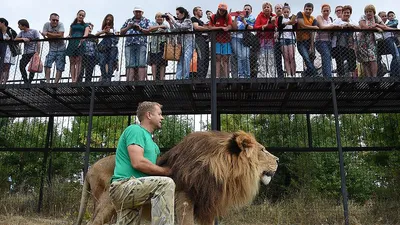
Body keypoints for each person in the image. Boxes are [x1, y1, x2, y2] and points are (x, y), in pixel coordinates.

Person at [109, 101, 175, 225]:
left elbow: (152, 169)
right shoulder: (135, 130)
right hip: (123, 186)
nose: (162, 117)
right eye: (159, 114)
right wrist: (167, 171)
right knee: (166, 184)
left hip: (137, 191)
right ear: (149, 115)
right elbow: (138, 162)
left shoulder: (154, 146)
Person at [121, 7, 150, 81]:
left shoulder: (146, 20)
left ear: (142, 13)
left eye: (139, 12)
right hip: (129, 44)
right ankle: (129, 82)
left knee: (141, 64)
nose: (138, 13)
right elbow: (121, 32)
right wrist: (129, 27)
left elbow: (149, 31)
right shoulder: (128, 21)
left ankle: (141, 82)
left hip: (141, 44)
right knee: (130, 64)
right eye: (136, 12)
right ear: (133, 12)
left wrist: (140, 29)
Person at [166, 7, 195, 80]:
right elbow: (173, 30)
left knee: (186, 59)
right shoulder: (179, 22)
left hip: (189, 43)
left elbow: (181, 26)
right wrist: (170, 22)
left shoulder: (188, 21)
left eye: (178, 14)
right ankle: (178, 77)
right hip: (181, 44)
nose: (177, 15)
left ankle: (185, 77)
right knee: (180, 60)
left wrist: (172, 18)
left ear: (183, 13)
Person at [331, 5, 359, 77]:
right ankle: (341, 77)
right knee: (339, 61)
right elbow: (332, 26)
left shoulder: (352, 21)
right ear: (342, 13)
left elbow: (358, 27)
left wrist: (350, 25)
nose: (346, 14)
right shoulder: (337, 20)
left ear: (350, 13)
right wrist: (342, 26)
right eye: (345, 12)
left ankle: (351, 77)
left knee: (352, 60)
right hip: (338, 45)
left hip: (349, 45)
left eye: (348, 12)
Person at [231, 4, 255, 78]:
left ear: (251, 11)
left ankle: (247, 75)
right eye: (245, 9)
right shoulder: (238, 17)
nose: (246, 10)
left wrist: (243, 20)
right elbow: (234, 28)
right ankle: (241, 74)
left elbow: (251, 28)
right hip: (236, 38)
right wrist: (235, 17)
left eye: (248, 9)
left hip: (246, 39)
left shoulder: (252, 18)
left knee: (245, 56)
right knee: (239, 56)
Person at [315, 4, 340, 77]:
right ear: (321, 11)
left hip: (329, 41)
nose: (326, 12)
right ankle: (328, 77)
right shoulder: (319, 17)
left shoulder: (331, 19)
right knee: (326, 55)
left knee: (327, 58)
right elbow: (322, 27)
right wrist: (332, 26)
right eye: (324, 11)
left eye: (327, 10)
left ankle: (326, 75)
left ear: (330, 11)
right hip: (320, 41)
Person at [65, 10, 90, 83]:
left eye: (83, 15)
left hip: (80, 43)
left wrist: (81, 40)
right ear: (77, 15)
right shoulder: (72, 25)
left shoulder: (86, 25)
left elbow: (86, 34)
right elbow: (70, 34)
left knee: (78, 62)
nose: (81, 16)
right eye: (80, 15)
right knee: (72, 62)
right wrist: (68, 36)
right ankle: (72, 79)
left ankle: (76, 79)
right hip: (72, 43)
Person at [209, 3, 232, 78]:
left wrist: (227, 28)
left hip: (226, 40)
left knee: (225, 59)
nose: (222, 12)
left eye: (223, 10)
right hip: (217, 40)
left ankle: (226, 77)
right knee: (217, 58)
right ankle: (217, 76)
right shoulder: (213, 17)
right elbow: (210, 27)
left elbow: (230, 26)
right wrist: (221, 28)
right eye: (220, 10)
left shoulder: (228, 16)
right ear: (218, 9)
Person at [41, 13, 66, 83]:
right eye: (53, 20)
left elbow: (61, 35)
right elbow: (45, 35)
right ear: (50, 19)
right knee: (47, 64)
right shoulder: (46, 25)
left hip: (61, 48)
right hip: (52, 48)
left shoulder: (61, 24)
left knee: (60, 67)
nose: (55, 22)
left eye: (57, 20)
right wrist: (55, 35)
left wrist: (48, 34)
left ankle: (55, 83)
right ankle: (48, 82)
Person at [295, 3, 319, 77]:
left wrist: (312, 46)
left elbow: (312, 34)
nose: (308, 11)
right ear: (304, 9)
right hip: (300, 41)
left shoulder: (313, 19)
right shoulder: (300, 14)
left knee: (311, 58)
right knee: (306, 57)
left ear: (312, 10)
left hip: (309, 41)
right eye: (306, 9)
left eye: (310, 9)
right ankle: (315, 74)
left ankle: (306, 74)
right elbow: (302, 25)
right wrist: (313, 27)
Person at [254, 2, 277, 77]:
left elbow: (276, 27)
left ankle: (272, 75)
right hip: (262, 40)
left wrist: (273, 23)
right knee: (262, 58)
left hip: (271, 40)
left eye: (268, 7)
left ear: (271, 9)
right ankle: (262, 75)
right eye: (264, 7)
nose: (266, 8)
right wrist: (265, 25)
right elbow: (255, 27)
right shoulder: (260, 16)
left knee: (271, 58)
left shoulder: (274, 16)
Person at [14, 19, 41, 84]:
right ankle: (26, 81)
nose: (18, 26)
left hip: (33, 52)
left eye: (19, 25)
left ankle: (29, 81)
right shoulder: (21, 33)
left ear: (24, 25)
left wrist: (38, 52)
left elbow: (38, 42)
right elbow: (15, 39)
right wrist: (22, 38)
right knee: (21, 66)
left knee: (33, 67)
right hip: (26, 53)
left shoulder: (34, 31)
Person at [96, 14, 119, 82]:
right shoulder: (101, 29)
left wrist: (110, 33)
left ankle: (108, 78)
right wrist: (104, 32)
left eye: (110, 20)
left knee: (110, 62)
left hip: (112, 48)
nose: (108, 21)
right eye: (107, 19)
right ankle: (104, 77)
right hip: (103, 48)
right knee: (102, 62)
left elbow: (117, 39)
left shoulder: (114, 29)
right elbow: (95, 36)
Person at [148, 12, 169, 80]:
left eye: (161, 17)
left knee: (163, 63)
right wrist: (160, 27)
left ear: (163, 19)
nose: (159, 18)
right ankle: (154, 78)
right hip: (154, 46)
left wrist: (164, 31)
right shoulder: (152, 24)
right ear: (155, 18)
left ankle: (162, 78)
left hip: (163, 45)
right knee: (154, 62)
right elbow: (150, 29)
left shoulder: (166, 25)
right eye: (158, 17)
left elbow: (169, 32)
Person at [277, 3, 297, 77]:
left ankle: (293, 73)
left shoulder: (291, 18)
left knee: (292, 56)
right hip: (283, 38)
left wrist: (295, 23)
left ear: (289, 12)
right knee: (286, 57)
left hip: (291, 38)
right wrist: (286, 23)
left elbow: (295, 29)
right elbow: (279, 27)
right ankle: (288, 74)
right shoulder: (280, 18)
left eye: (287, 12)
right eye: (284, 12)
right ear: (282, 12)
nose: (286, 13)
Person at [191, 6, 210, 78]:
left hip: (205, 40)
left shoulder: (201, 22)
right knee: (201, 57)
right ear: (195, 12)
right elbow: (196, 27)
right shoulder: (194, 18)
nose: (202, 12)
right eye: (200, 10)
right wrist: (207, 28)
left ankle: (203, 76)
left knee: (206, 59)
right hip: (199, 39)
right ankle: (200, 77)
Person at [0, 18, 18, 84]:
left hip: (9, 51)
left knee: (6, 67)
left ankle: (4, 82)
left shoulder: (11, 31)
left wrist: (10, 39)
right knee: (1, 67)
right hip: (1, 51)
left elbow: (17, 40)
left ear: (3, 23)